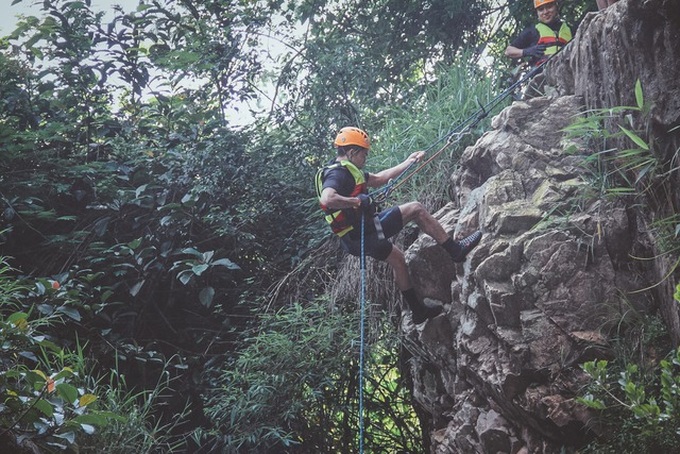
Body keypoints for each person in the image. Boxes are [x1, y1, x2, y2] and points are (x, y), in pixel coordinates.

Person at [315, 127, 482, 324]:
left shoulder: (341, 169)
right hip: (364, 233)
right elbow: (328, 198)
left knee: (398, 260)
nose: (365, 158)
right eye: (364, 154)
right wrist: (356, 202)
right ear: (352, 152)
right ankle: (456, 250)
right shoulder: (339, 175)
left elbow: (379, 179)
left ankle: (417, 311)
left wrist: (408, 162)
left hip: (354, 238)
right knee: (416, 209)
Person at [504, 0, 573, 97]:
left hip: (566, 75)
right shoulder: (532, 31)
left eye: (549, 7)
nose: (545, 12)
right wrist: (527, 51)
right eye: (541, 9)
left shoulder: (568, 29)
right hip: (542, 79)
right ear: (537, 13)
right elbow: (508, 51)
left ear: (556, 6)